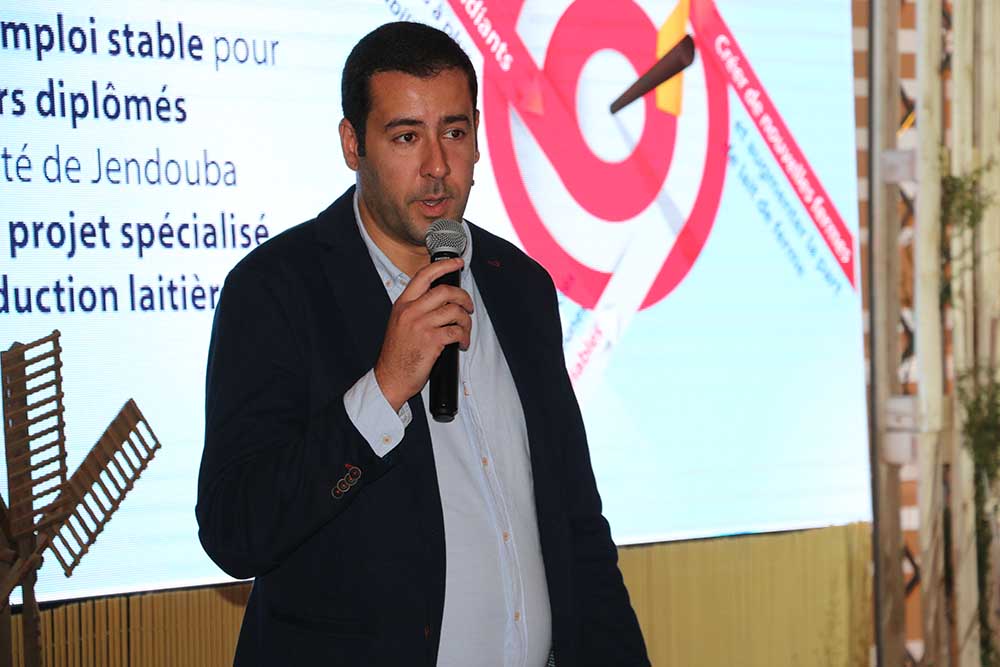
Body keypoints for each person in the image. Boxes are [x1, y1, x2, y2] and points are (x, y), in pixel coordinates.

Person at [196, 21, 649, 667]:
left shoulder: (520, 286)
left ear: (478, 136)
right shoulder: (276, 289)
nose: (437, 166)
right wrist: (382, 389)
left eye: (455, 133)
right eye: (406, 136)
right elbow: (235, 531)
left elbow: (576, 523)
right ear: (353, 144)